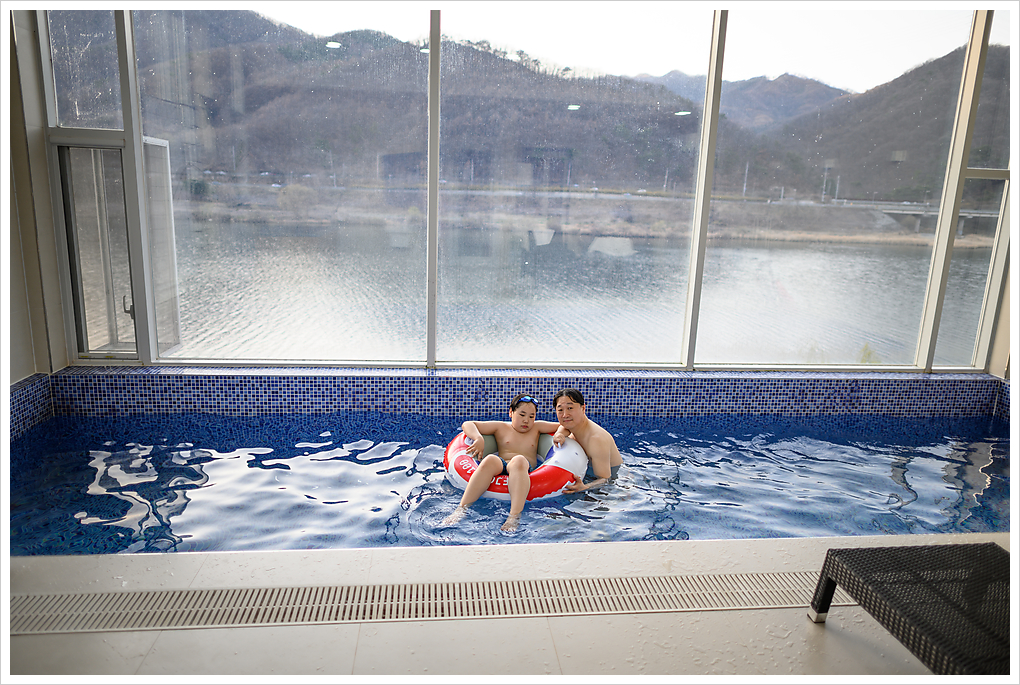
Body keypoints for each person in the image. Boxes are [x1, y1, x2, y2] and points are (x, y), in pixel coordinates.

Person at [442, 393, 561, 531]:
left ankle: (514, 516)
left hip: (523, 467)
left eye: (531, 416)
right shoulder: (501, 427)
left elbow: (563, 426)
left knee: (518, 460)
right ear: (511, 412)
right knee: (490, 459)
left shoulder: (537, 427)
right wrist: (478, 438)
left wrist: (559, 434)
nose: (526, 420)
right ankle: (461, 509)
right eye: (522, 415)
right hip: (503, 464)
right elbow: (468, 424)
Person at [552, 388, 623, 493]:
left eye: (570, 408)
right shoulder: (571, 426)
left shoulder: (596, 440)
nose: (565, 415)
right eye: (560, 410)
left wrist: (585, 487)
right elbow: (563, 427)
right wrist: (558, 434)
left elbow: (605, 479)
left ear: (583, 408)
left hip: (616, 483)